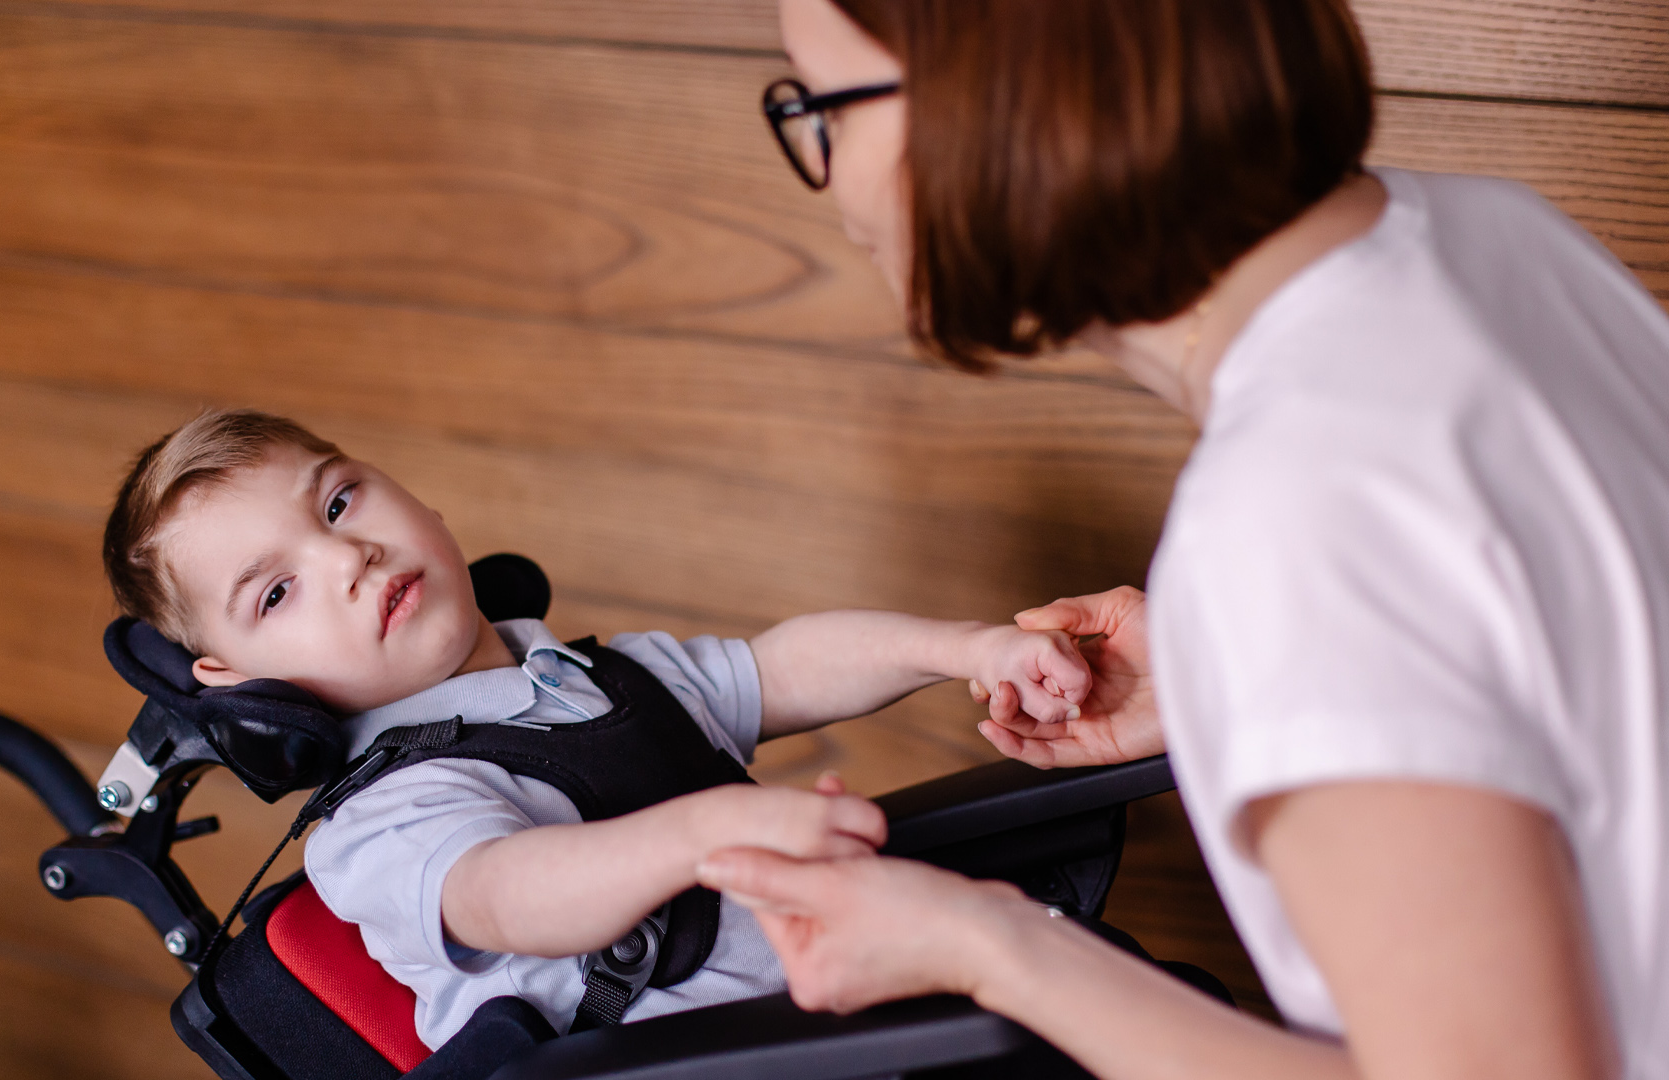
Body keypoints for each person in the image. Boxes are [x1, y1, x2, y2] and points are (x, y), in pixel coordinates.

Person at [700, 1, 1669, 1078]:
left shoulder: (1294, 513)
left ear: (1001, 101)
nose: (827, 175)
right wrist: (1248, 676)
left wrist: (993, 945)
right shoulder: (1497, 234)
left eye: (825, 107)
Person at [99, 407, 1093, 1048]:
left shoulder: (588, 677)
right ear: (237, 683)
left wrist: (970, 651)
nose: (348, 555)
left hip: (860, 1014)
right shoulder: (383, 821)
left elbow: (787, 665)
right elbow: (503, 897)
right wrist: (698, 838)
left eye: (340, 498)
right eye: (277, 592)